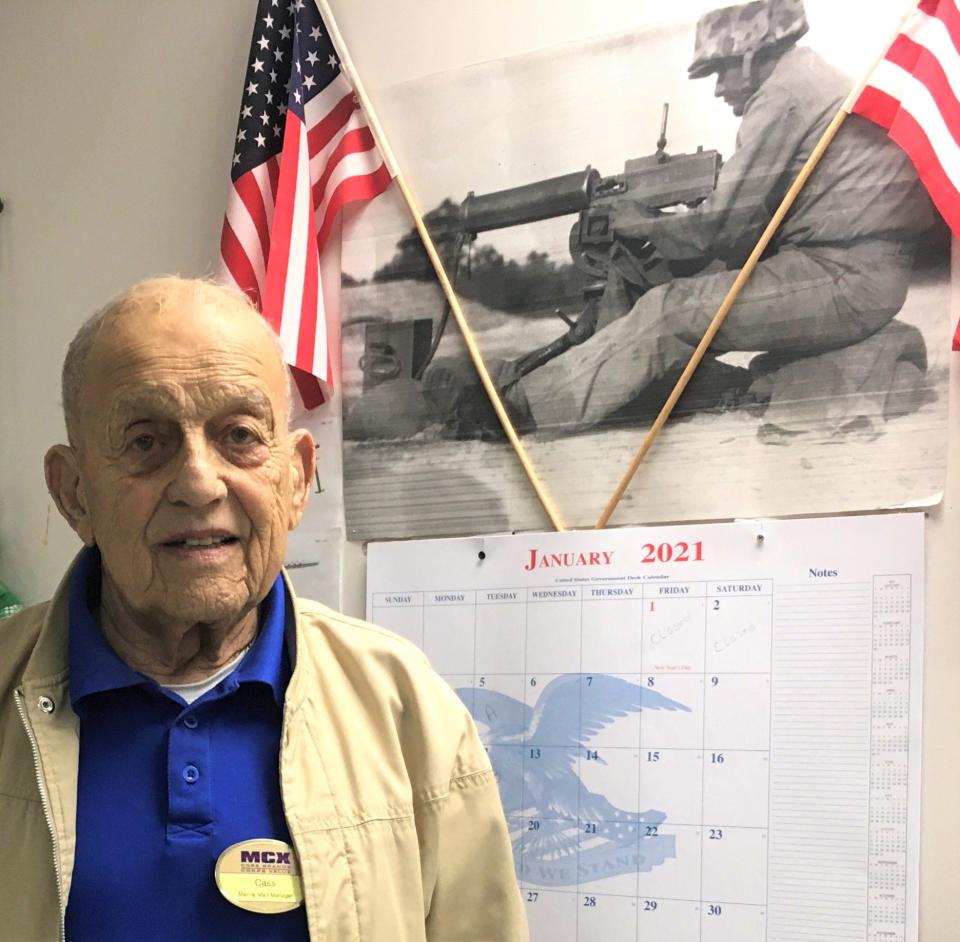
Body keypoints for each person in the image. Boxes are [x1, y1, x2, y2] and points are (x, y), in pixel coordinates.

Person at [0, 277, 527, 941]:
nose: (198, 482)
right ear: (74, 493)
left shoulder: (406, 709)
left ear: (297, 478)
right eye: (144, 442)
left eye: (239, 435)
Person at [461, 0, 937, 436]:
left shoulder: (784, 94)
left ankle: (524, 408)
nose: (719, 88)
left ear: (752, 55)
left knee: (674, 310)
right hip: (853, 270)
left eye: (721, 71)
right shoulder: (808, 79)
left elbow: (723, 229)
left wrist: (637, 222)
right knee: (693, 286)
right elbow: (748, 223)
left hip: (842, 275)